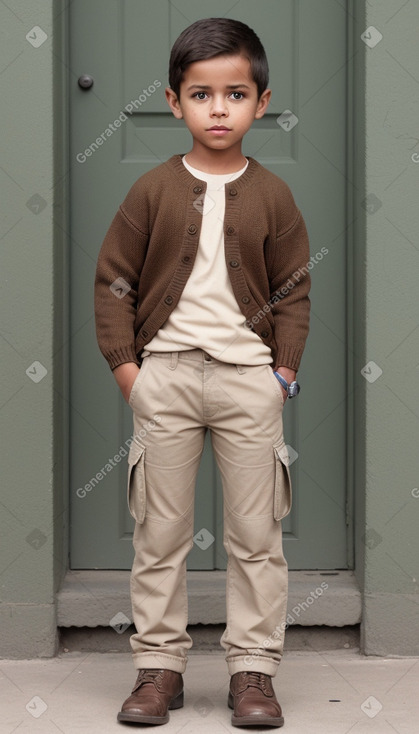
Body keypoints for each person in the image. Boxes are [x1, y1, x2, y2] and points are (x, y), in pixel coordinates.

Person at [94, 16, 311, 728]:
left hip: (249, 382)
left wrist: (281, 372)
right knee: (160, 531)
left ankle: (253, 672)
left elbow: (293, 292)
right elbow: (113, 283)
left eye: (235, 94)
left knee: (257, 535)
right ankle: (159, 668)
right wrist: (132, 372)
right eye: (201, 94)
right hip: (168, 378)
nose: (218, 109)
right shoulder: (152, 191)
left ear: (261, 100)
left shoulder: (273, 195)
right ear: (173, 101)